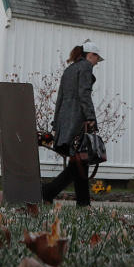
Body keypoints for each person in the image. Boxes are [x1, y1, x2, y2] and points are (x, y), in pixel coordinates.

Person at [42, 40, 104, 207]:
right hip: (78, 120)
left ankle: (82, 203)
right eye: (97, 58)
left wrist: (56, 124)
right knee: (80, 160)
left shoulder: (69, 70)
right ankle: (47, 192)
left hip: (65, 121)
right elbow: (84, 94)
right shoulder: (85, 67)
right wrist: (91, 118)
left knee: (79, 162)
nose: (97, 63)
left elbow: (60, 98)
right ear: (90, 55)